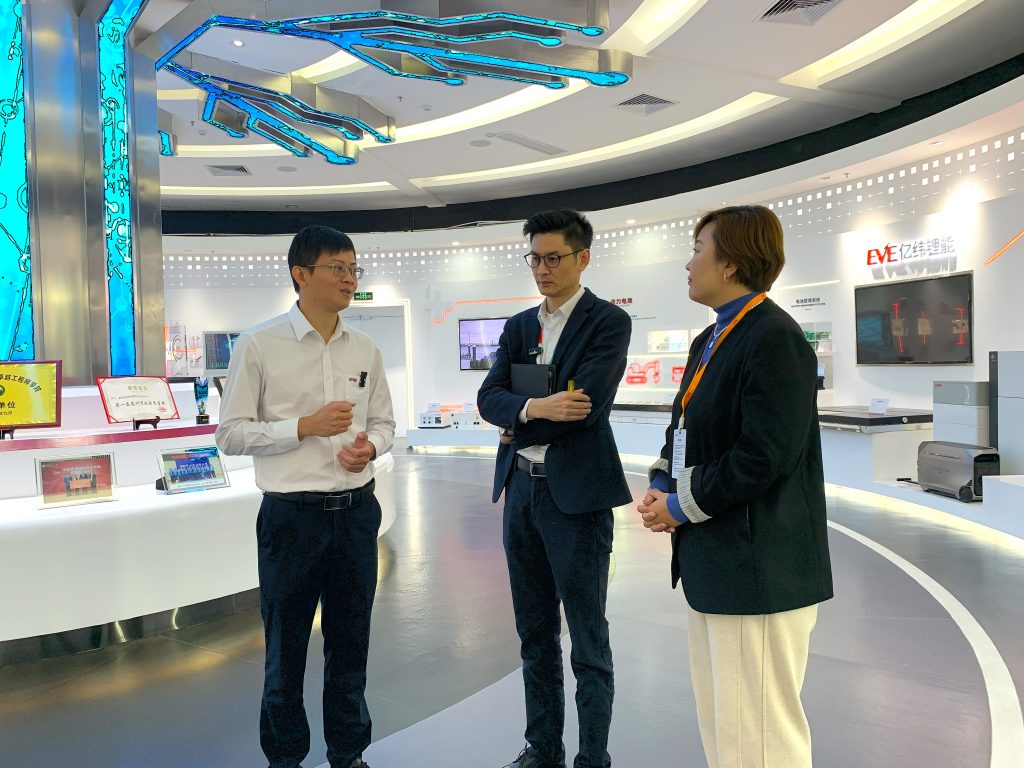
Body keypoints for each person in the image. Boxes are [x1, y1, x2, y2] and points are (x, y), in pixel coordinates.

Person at [638, 205, 833, 768]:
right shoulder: (712, 338)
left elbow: (763, 455)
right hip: (717, 563)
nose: (688, 263)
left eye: (698, 249)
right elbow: (685, 427)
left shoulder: (774, 338)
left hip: (757, 567)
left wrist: (680, 505)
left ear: (732, 262)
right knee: (727, 724)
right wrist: (661, 483)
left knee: (759, 736)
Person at [216, 225, 395, 768]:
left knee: (351, 644)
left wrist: (370, 448)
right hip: (292, 519)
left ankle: (349, 753)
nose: (349, 278)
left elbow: (385, 423)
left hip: (356, 513)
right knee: (285, 648)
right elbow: (230, 435)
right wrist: (303, 427)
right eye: (337, 267)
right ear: (301, 274)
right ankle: (285, 757)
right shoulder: (258, 344)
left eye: (353, 268)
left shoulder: (364, 348)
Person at [478, 209, 632, 768]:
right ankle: (542, 749)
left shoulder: (607, 323)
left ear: (582, 258)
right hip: (520, 492)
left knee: (588, 640)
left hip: (577, 498)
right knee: (534, 633)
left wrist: (517, 415)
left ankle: (593, 758)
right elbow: (488, 397)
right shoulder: (520, 326)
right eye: (535, 259)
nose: (542, 269)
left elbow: (585, 407)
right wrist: (537, 407)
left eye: (553, 258)